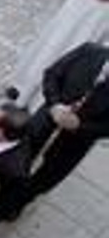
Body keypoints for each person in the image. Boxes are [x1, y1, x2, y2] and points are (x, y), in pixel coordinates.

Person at [10, 0, 109, 105]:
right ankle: (23, 89)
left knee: (73, 57)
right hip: (80, 6)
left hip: (102, 20)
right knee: (52, 45)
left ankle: (44, 101)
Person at [19, 41, 109, 207]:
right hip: (45, 121)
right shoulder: (89, 50)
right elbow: (52, 74)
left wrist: (79, 126)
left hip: (75, 143)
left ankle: (14, 205)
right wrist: (54, 105)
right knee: (18, 158)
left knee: (41, 181)